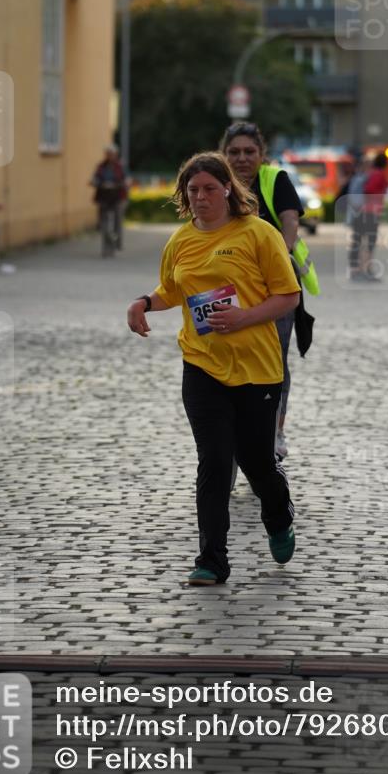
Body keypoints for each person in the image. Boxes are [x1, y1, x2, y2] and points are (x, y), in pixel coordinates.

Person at [126, 152, 300, 586]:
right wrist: (144, 302)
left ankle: (278, 515)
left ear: (227, 189)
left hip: (257, 368)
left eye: (208, 188)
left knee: (257, 463)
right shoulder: (180, 241)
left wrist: (244, 317)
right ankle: (212, 560)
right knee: (215, 461)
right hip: (202, 365)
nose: (201, 197)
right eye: (193, 190)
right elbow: (171, 289)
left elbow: (288, 295)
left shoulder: (258, 233)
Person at [220, 121, 318, 460]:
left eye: (249, 151)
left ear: (262, 154)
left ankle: (274, 431)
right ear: (224, 154)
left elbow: (290, 222)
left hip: (275, 288)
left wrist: (279, 259)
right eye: (234, 152)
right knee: (231, 356)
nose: (242, 158)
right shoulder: (218, 183)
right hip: (231, 287)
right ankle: (234, 429)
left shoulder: (275, 180)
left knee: (274, 359)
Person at [90, 144, 128, 250]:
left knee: (118, 219)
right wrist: (94, 181)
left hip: (117, 196)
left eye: (112, 154)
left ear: (115, 155)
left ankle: (118, 242)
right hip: (104, 196)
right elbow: (96, 177)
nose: (110, 156)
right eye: (108, 154)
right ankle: (105, 237)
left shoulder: (119, 166)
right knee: (103, 220)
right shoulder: (101, 166)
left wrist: (124, 183)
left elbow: (125, 179)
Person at [359, 152, 388, 280]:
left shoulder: (372, 173)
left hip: (367, 211)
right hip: (371, 212)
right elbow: (369, 190)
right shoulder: (379, 174)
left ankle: (365, 269)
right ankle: (366, 269)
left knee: (367, 241)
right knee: (370, 242)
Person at [347, 156, 371, 280]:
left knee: (359, 242)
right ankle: (355, 270)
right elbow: (354, 199)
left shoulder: (359, 178)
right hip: (359, 215)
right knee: (357, 242)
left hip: (359, 214)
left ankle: (360, 269)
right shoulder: (360, 179)